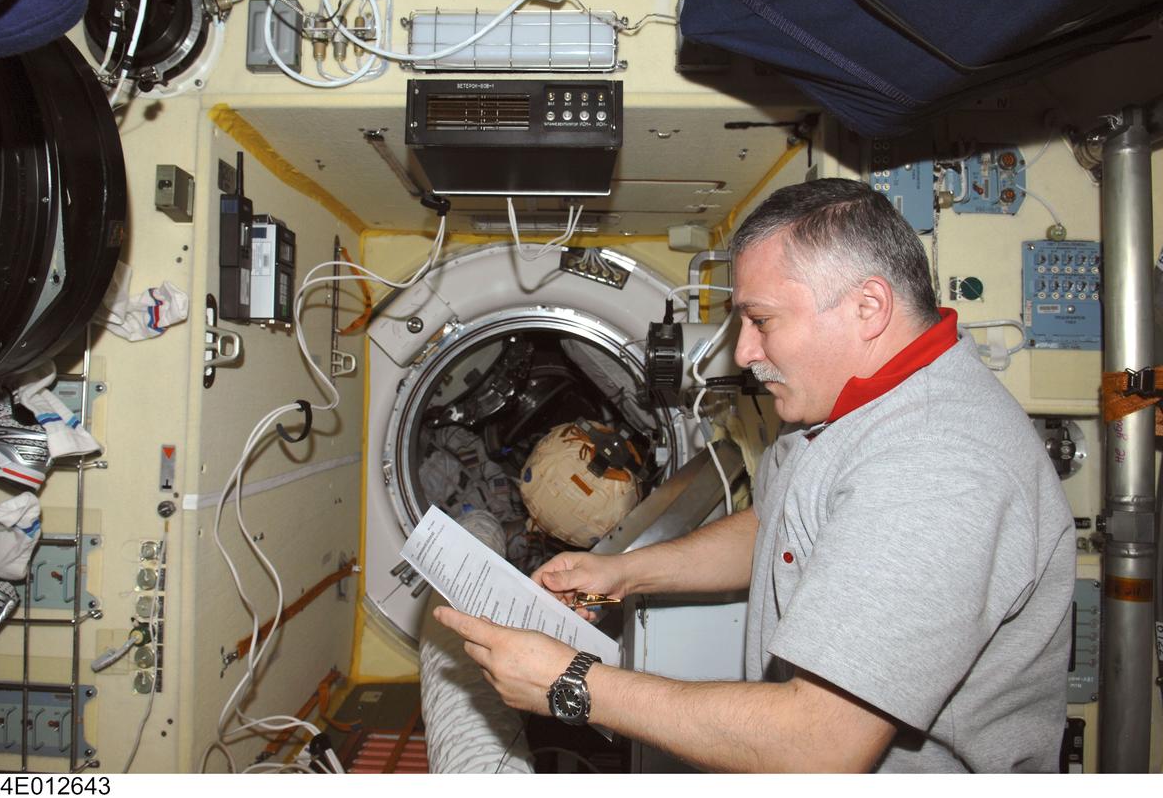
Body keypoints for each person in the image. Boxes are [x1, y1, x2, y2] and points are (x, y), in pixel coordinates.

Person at [435, 178, 1076, 772]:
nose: (743, 351)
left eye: (762, 320)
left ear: (868, 307)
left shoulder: (938, 467)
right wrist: (622, 575)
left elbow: (820, 745)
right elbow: (778, 525)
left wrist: (571, 684)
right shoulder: (842, 409)